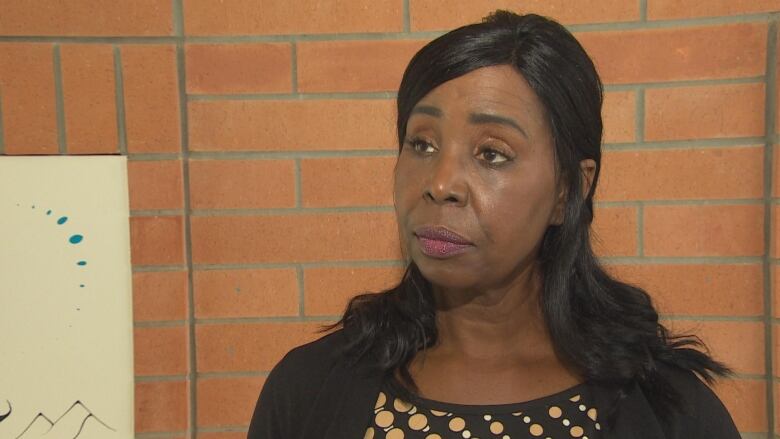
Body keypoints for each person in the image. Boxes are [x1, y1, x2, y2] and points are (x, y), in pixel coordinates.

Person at [247, 11, 740, 439]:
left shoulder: (666, 409)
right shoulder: (311, 389)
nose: (441, 184)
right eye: (422, 143)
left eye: (491, 153)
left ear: (569, 190)